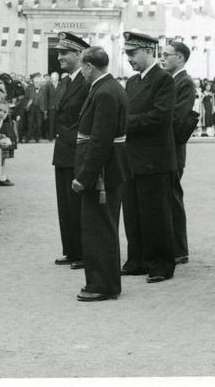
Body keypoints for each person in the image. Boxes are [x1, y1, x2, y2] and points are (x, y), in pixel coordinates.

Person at [71, 47, 128, 301]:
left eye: (82, 67)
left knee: (98, 229)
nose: (81, 73)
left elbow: (100, 141)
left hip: (101, 172)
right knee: (103, 226)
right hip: (107, 169)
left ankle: (102, 284)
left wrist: (84, 177)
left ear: (89, 66)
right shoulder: (108, 87)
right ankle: (105, 281)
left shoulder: (105, 92)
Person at [121, 31, 177, 283]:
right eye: (127, 54)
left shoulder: (163, 79)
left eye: (133, 54)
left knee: (155, 213)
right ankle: (137, 259)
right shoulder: (132, 82)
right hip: (133, 157)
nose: (129, 59)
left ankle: (161, 264)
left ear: (148, 52)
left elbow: (160, 116)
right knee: (133, 211)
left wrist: (125, 123)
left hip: (155, 158)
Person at [50, 33, 90, 270]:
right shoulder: (66, 82)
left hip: (77, 150)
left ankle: (84, 252)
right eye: (59, 52)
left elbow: (84, 118)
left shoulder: (86, 82)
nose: (60, 57)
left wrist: (69, 138)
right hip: (63, 152)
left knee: (79, 205)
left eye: (64, 52)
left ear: (78, 54)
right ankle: (72, 249)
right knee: (65, 204)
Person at [161, 41, 198, 265]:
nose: (162, 58)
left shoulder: (184, 83)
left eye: (167, 55)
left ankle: (179, 249)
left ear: (180, 58)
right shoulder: (172, 81)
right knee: (165, 198)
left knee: (172, 198)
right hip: (166, 150)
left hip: (174, 151)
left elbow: (177, 118)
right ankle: (171, 245)